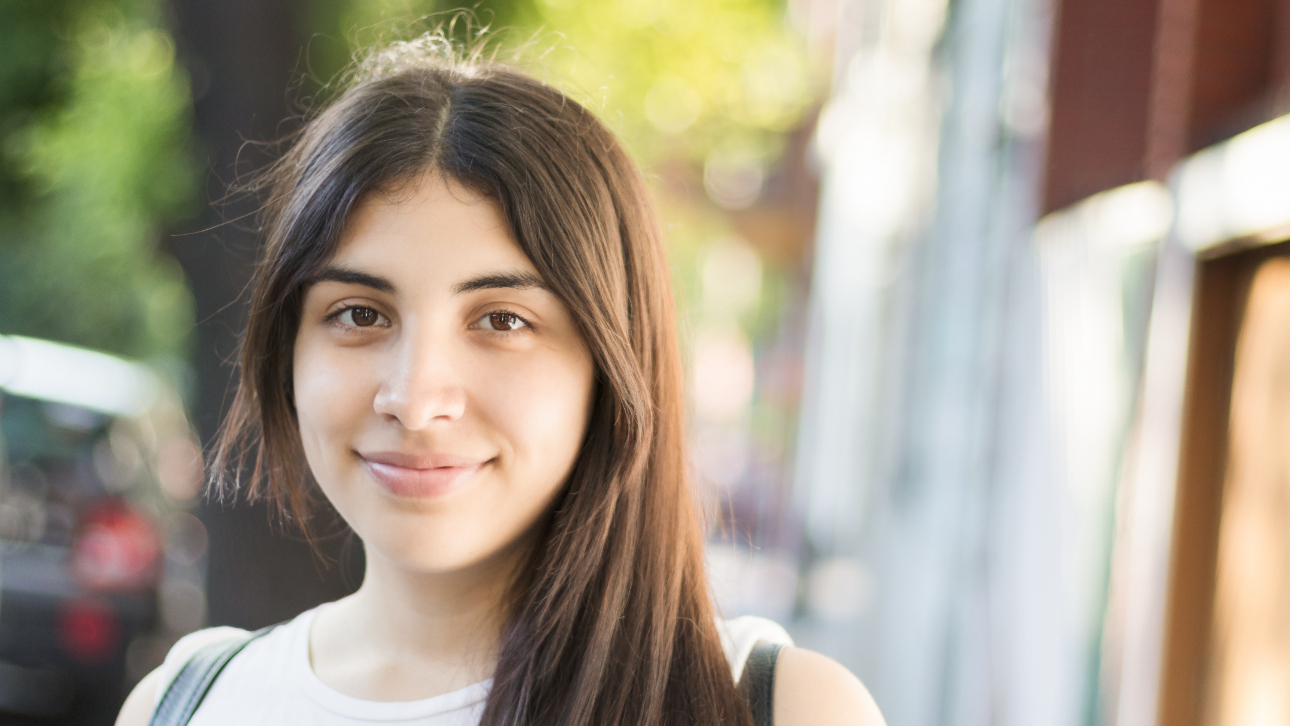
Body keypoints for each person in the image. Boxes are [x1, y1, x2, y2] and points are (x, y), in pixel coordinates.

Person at [116, 33, 885, 726]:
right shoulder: (186, 702)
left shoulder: (776, 708)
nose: (415, 401)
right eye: (358, 314)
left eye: (503, 321)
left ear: (611, 367)